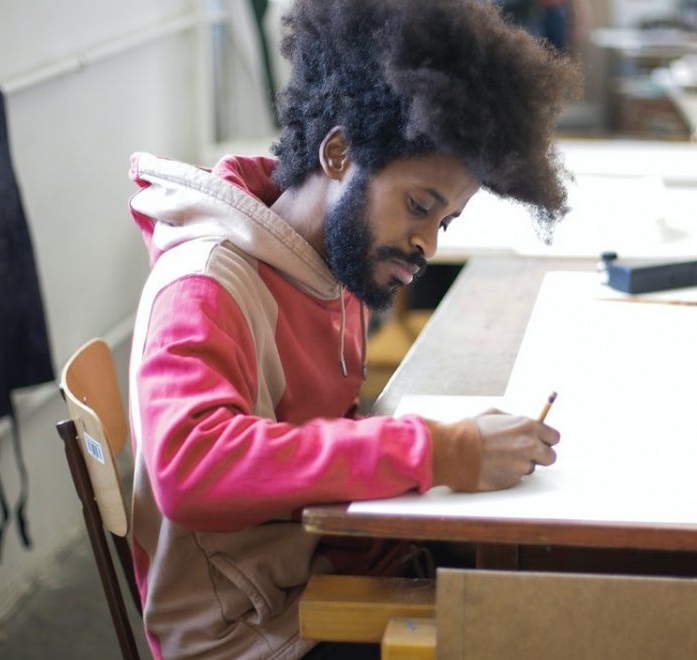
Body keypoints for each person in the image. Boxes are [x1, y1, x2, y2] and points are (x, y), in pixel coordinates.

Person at [126, 0, 577, 657]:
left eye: (444, 221)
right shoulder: (207, 283)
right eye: (419, 206)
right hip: (249, 635)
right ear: (338, 152)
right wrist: (441, 450)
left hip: (315, 575)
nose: (425, 243)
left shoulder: (329, 261)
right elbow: (187, 466)